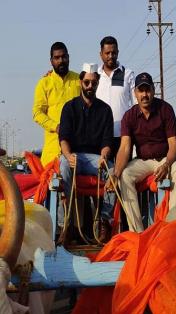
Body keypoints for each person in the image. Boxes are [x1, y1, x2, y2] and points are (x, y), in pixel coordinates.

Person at [105, 72, 176, 232]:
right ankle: (138, 233)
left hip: (165, 158)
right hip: (143, 161)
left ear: (153, 90)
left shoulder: (166, 109)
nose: (144, 95)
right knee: (125, 175)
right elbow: (125, 147)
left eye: (147, 90)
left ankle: (170, 227)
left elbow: (173, 144)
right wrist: (115, 173)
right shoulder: (129, 116)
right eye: (141, 91)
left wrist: (167, 164)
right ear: (135, 93)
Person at [59, 63, 115, 243]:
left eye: (93, 83)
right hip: (74, 155)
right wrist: (68, 156)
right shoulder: (69, 107)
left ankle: (104, 221)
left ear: (98, 83)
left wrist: (104, 157)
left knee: (112, 171)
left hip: (94, 159)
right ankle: (64, 224)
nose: (90, 86)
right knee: (64, 165)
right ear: (81, 83)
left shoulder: (105, 110)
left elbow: (107, 142)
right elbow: (64, 138)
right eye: (87, 83)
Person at [33, 42, 80, 166]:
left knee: (76, 184)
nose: (61, 60)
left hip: (77, 148)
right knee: (51, 185)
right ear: (51, 61)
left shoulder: (79, 80)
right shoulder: (44, 83)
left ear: (68, 57)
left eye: (64, 57)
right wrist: (56, 127)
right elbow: (37, 113)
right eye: (57, 58)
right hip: (52, 150)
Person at [96, 36, 136, 159]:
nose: (110, 56)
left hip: (123, 136)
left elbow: (136, 104)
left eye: (113, 52)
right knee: (103, 174)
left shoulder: (128, 74)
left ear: (118, 53)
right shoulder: (95, 76)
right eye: (107, 53)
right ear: (101, 54)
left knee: (124, 174)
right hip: (100, 136)